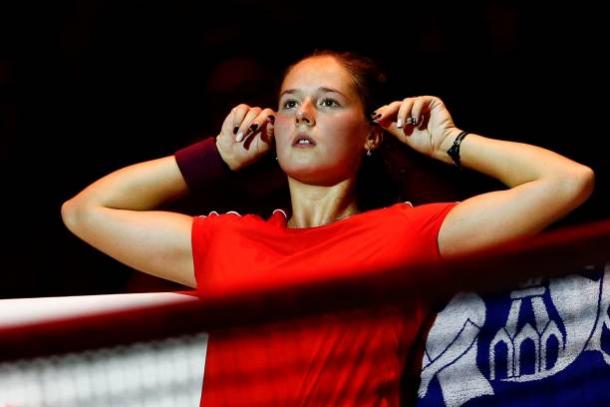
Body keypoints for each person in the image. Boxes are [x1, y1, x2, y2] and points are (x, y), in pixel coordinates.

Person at [61, 50, 594, 406]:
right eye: (290, 102)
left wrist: (450, 141)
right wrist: (214, 158)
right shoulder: (225, 240)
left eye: (329, 101)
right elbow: (84, 213)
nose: (303, 114)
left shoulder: (407, 233)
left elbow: (567, 181)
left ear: (370, 135)